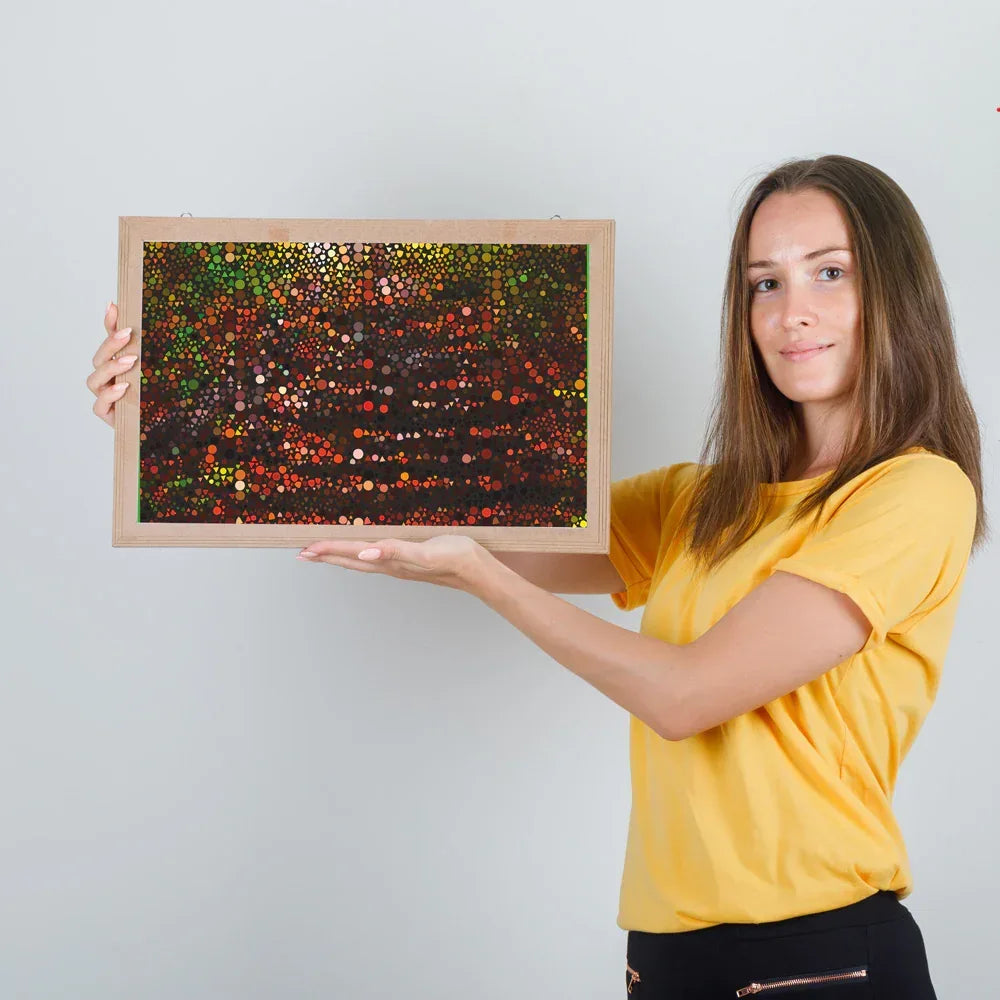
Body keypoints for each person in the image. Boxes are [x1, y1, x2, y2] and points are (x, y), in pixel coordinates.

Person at [87, 154, 986, 998]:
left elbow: (688, 695)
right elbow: (464, 517)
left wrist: (487, 580)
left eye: (831, 272)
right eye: (766, 282)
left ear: (895, 291)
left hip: (819, 960)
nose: (793, 310)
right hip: (667, 956)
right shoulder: (705, 501)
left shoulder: (915, 493)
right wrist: (176, 416)